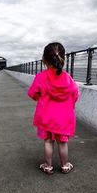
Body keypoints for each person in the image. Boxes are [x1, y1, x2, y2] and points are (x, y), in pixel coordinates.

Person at [27, 42, 79, 175]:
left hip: (46, 116)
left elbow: (32, 94)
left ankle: (48, 166)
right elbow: (75, 94)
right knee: (62, 143)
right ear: (63, 59)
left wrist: (42, 99)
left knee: (48, 142)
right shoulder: (68, 78)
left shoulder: (40, 77)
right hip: (63, 118)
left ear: (44, 60)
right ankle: (65, 165)